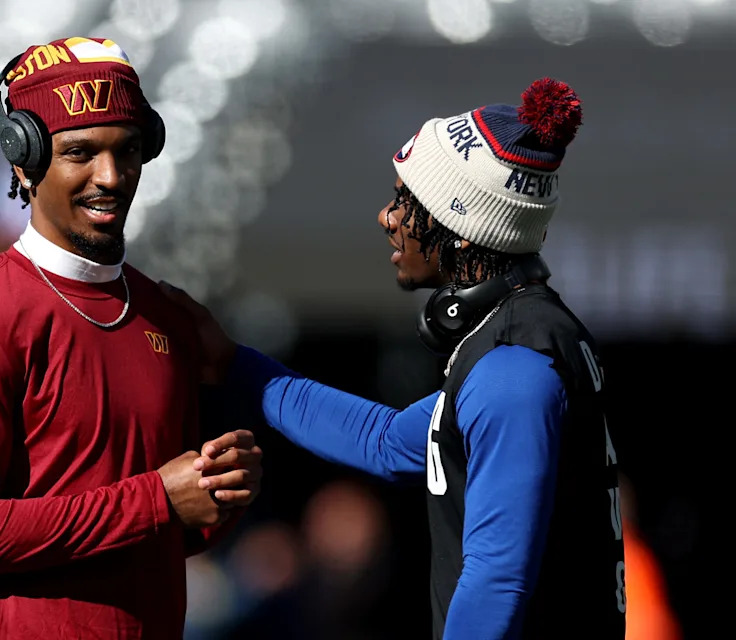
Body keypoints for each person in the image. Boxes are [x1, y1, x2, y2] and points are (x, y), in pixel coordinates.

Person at [163, 78, 626, 639]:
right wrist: (232, 364)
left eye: (408, 201)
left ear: (459, 228)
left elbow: (497, 580)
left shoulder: (512, 372)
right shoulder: (523, 343)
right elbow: (384, 440)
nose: (388, 217)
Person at [0, 36, 262, 640]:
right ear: (22, 162)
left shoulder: (167, 317)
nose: (111, 176)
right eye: (80, 153)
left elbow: (157, 537)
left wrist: (217, 496)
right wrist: (157, 497)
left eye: (127, 150)